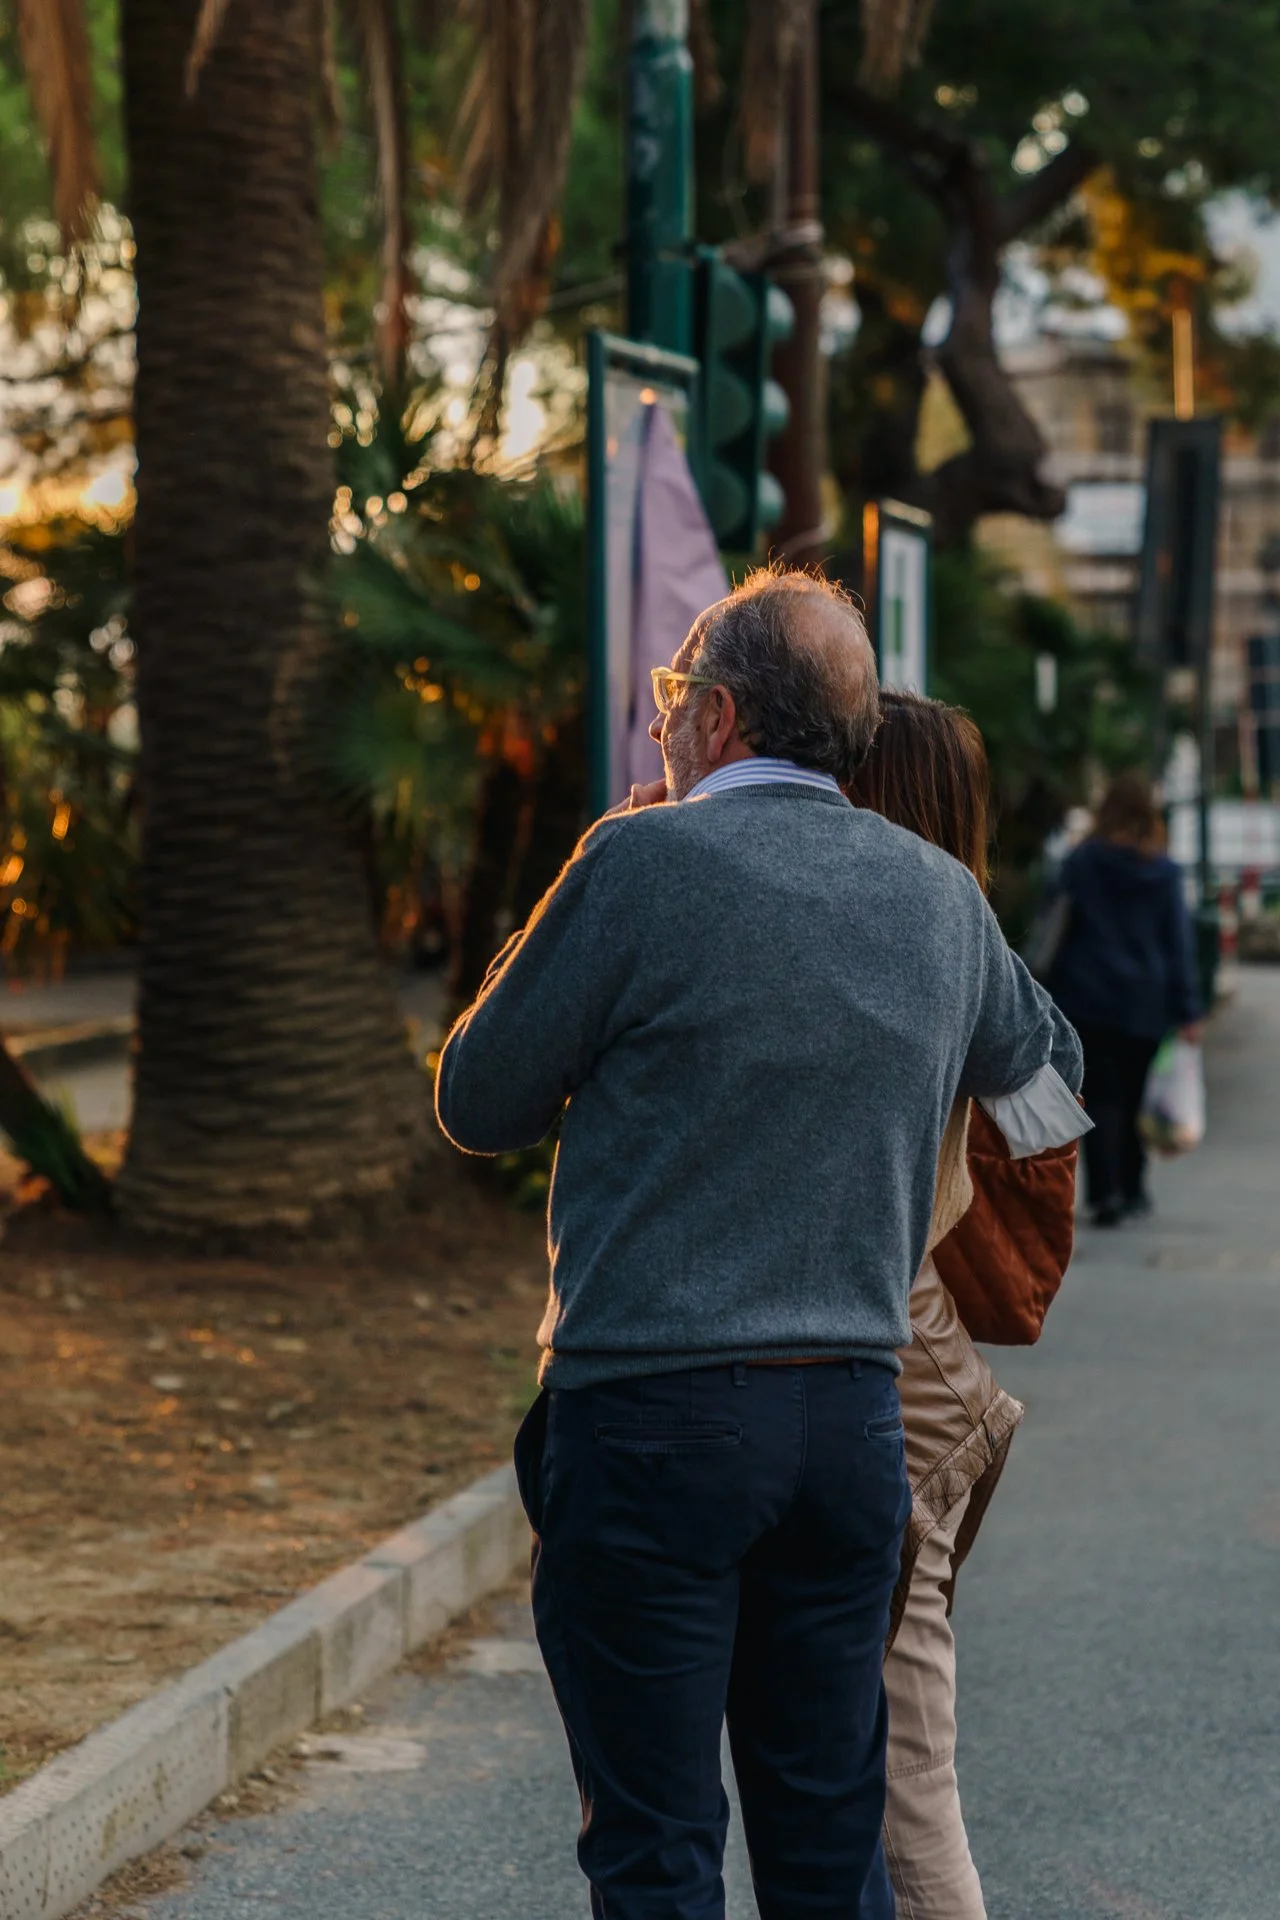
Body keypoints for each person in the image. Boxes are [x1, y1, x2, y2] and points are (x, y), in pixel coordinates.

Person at [435, 568, 1082, 1920]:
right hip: (851, 1427)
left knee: (659, 1848)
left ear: (718, 718)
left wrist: (602, 861)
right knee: (827, 1847)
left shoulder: (638, 863)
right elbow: (1047, 1095)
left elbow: (477, 1102)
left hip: (651, 1417)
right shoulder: (939, 898)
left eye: (675, 699)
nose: (668, 720)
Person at [848, 691, 1082, 1920]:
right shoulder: (953, 943)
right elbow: (1052, 1102)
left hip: (902, 1391)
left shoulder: (886, 936)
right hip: (923, 1383)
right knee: (873, 1773)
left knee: (902, 1779)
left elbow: (1049, 1104)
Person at [1045, 771, 1202, 1225]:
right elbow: (1178, 942)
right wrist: (1188, 1007)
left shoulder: (1082, 862)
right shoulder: (1165, 871)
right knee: (1136, 1095)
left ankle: (1105, 1193)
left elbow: (1055, 922)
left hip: (1088, 996)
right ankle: (1133, 1188)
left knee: (1100, 1097)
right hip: (1145, 1003)